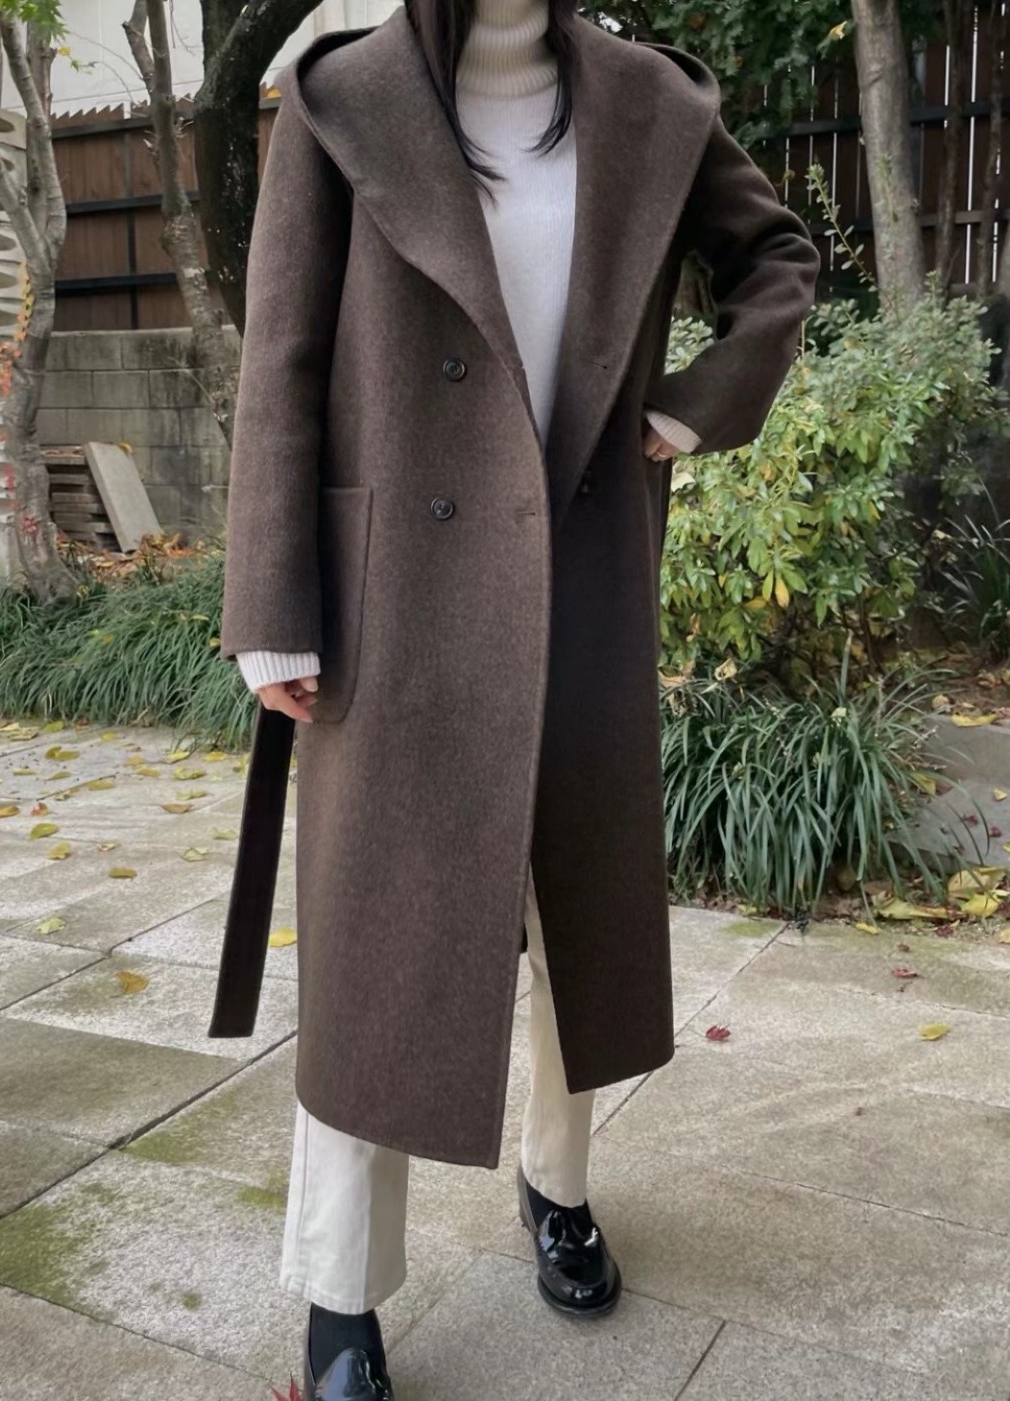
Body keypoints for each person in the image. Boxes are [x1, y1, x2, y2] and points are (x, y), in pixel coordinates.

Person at [218, 0, 821, 1395]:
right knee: (374, 946)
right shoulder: (342, 97)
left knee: (579, 918)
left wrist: (700, 400)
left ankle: (558, 1185)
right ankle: (340, 1291)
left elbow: (777, 257)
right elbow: (280, 356)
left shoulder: (648, 99)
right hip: (397, 596)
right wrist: (270, 605)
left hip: (584, 568)